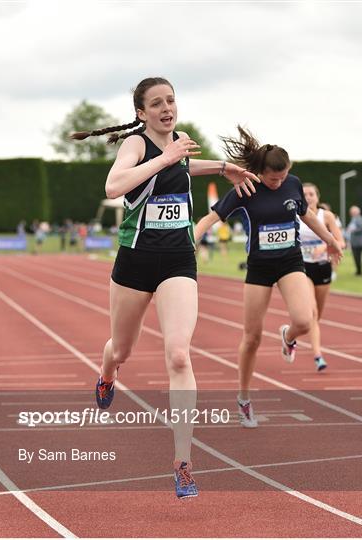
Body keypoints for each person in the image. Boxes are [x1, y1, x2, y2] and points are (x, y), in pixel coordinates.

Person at [70, 77, 259, 497]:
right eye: (156, 103)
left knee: (177, 353)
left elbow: (183, 166)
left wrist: (223, 167)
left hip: (177, 258)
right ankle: (106, 374)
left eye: (170, 100)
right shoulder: (135, 145)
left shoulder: (183, 143)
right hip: (135, 261)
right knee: (121, 349)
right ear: (141, 113)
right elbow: (114, 186)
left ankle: (183, 462)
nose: (165, 108)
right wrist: (166, 155)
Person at [194, 126, 342, 429]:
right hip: (259, 268)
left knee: (304, 320)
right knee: (251, 337)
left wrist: (330, 239)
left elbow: (307, 215)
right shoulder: (245, 189)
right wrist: (192, 238)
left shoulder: (293, 185)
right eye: (274, 178)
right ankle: (244, 399)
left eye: (284, 176)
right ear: (260, 173)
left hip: (290, 261)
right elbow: (212, 217)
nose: (280, 182)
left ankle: (288, 337)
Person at [299, 184, 344, 371]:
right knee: (313, 312)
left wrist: (325, 247)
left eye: (311, 194)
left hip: (323, 267)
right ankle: (318, 355)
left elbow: (341, 241)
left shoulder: (326, 216)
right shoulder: (294, 214)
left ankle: (300, 338)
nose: (308, 197)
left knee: (317, 317)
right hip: (302, 267)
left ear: (317, 197)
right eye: (304, 194)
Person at [347, 206, 362, 276]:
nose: (352, 213)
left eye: (353, 212)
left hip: (359, 242)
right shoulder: (353, 219)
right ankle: (358, 271)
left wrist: (354, 230)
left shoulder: (360, 219)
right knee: (355, 257)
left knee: (358, 257)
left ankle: (359, 271)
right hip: (354, 242)